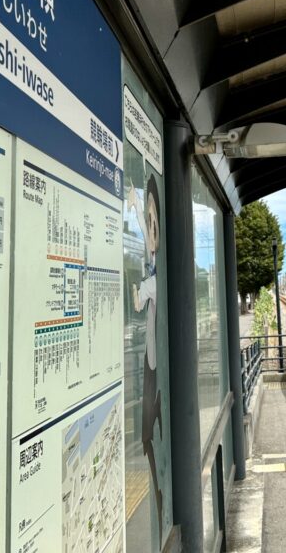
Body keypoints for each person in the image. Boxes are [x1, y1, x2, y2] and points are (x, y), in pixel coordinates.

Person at [127, 174, 164, 535]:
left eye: (154, 224)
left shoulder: (156, 276)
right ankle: (160, 500)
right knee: (149, 434)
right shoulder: (154, 266)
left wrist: (137, 292)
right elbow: (143, 232)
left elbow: (142, 300)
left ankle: (161, 501)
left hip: (154, 363)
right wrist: (137, 206)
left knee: (150, 432)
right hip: (151, 361)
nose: (149, 231)